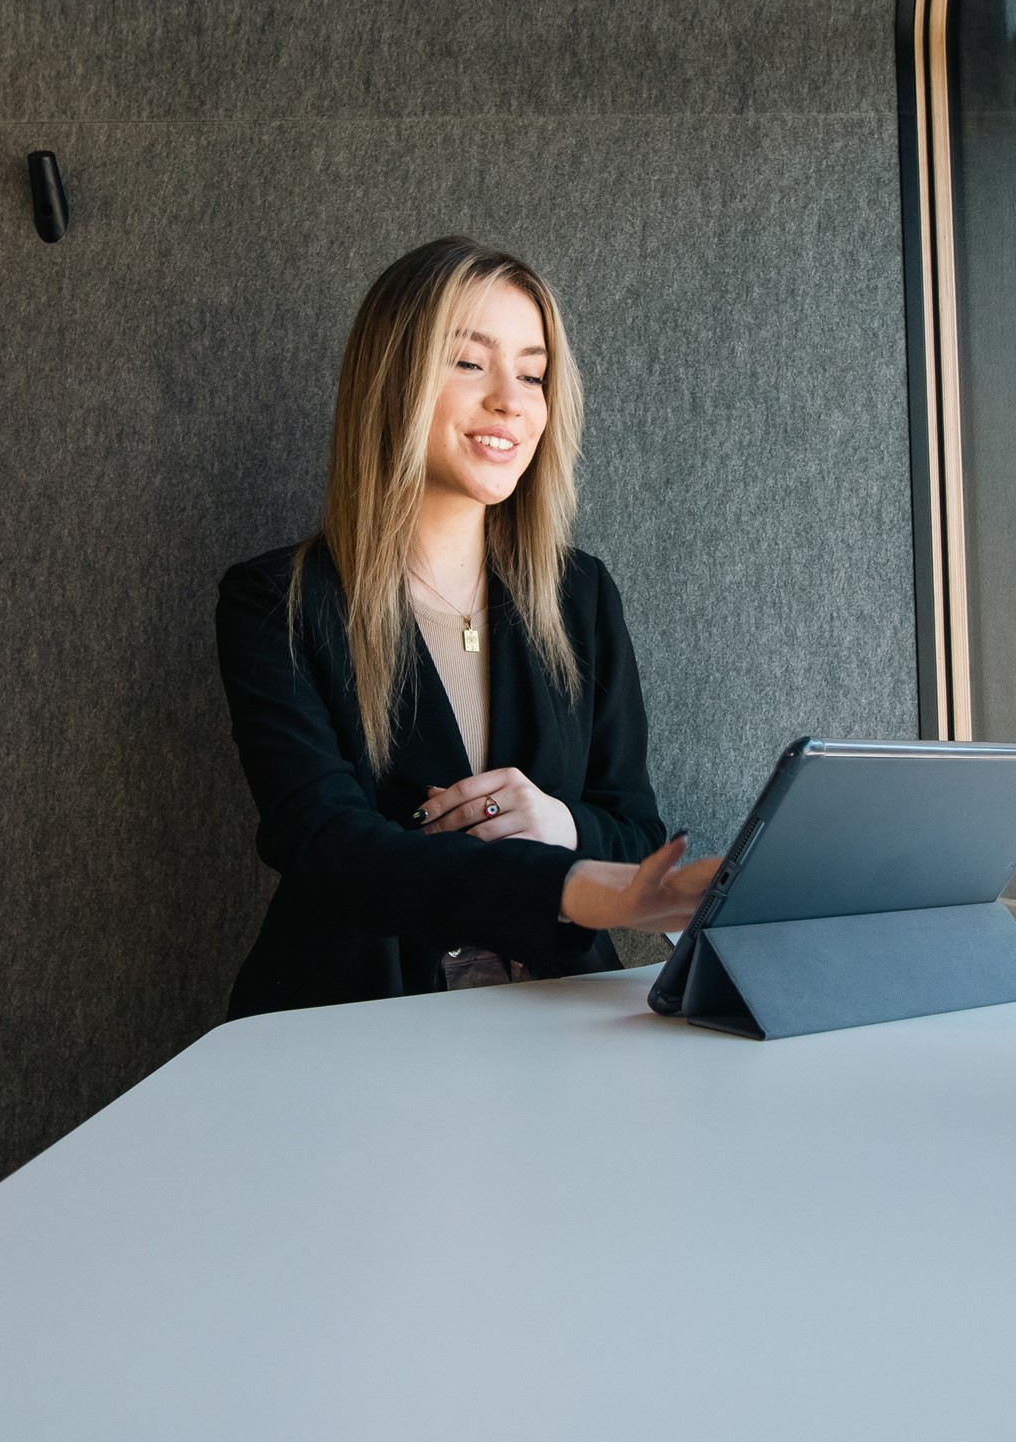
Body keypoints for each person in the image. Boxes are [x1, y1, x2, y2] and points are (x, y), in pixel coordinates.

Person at [217, 236, 718, 1017]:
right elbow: (324, 842)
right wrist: (574, 885)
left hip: (560, 1029)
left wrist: (559, 825)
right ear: (393, 380)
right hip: (358, 1030)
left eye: (532, 372)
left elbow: (632, 830)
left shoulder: (580, 594)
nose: (511, 401)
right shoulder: (276, 600)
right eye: (468, 362)